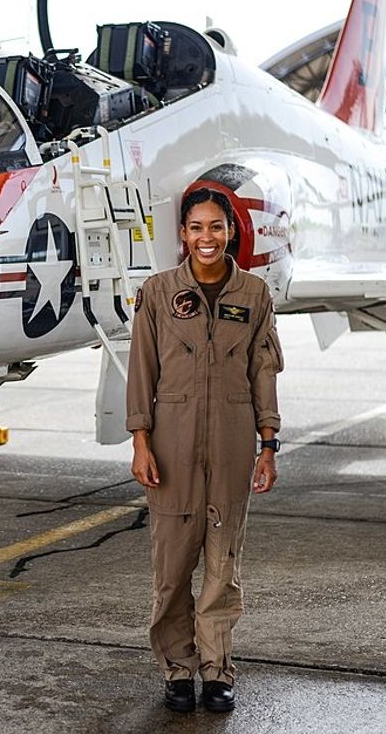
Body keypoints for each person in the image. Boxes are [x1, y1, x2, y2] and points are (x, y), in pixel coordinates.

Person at [126, 187, 283, 713]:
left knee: (223, 567)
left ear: (230, 232)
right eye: (196, 228)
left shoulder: (254, 295)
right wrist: (141, 442)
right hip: (171, 444)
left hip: (233, 443)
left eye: (216, 226)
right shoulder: (158, 293)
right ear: (183, 233)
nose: (206, 238)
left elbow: (264, 372)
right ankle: (177, 669)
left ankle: (216, 671)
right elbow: (141, 372)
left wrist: (268, 443)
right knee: (172, 569)